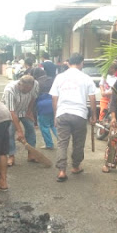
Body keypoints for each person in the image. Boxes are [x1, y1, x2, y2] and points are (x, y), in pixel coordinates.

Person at [50, 53, 96, 182]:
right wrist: (94, 115)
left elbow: (54, 98)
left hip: (62, 113)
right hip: (79, 115)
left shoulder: (60, 77)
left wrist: (55, 115)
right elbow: (92, 98)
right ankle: (75, 166)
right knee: (78, 142)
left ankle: (61, 171)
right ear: (81, 63)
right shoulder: (86, 78)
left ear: (69, 63)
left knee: (62, 143)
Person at [2, 75, 38, 166]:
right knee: (10, 132)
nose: (27, 91)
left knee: (31, 129)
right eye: (25, 89)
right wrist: (19, 131)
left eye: (29, 89)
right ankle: (11, 156)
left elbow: (33, 98)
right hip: (10, 112)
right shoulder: (10, 90)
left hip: (24, 110)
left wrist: (29, 112)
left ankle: (31, 154)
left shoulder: (35, 85)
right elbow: (11, 111)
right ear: (20, 84)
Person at [31, 67, 57, 149]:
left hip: (42, 106)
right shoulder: (52, 80)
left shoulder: (36, 83)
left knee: (44, 126)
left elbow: (34, 96)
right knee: (54, 125)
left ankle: (49, 144)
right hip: (54, 104)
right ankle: (62, 142)